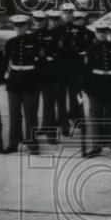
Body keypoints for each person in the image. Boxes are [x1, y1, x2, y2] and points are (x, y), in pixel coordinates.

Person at [82, 24, 111, 158]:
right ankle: (96, 147)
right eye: (99, 32)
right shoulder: (91, 49)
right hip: (96, 87)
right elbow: (86, 70)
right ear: (95, 33)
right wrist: (85, 88)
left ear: (108, 32)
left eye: (104, 32)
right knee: (95, 117)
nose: (102, 35)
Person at [0, 15, 41, 155]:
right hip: (14, 80)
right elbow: (4, 62)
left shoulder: (36, 41)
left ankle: (32, 144)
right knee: (14, 114)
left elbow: (41, 63)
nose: (19, 28)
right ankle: (13, 143)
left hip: (31, 80)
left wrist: (39, 79)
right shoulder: (10, 42)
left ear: (27, 26)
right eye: (16, 26)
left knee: (31, 114)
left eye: (22, 25)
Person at [37, 11, 68, 145]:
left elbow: (68, 52)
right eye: (51, 19)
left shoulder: (64, 33)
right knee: (48, 103)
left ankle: (64, 126)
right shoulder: (42, 33)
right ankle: (49, 131)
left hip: (60, 72)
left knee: (60, 101)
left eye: (56, 19)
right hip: (46, 73)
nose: (54, 22)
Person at [63, 10, 96, 137]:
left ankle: (77, 118)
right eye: (76, 19)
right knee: (71, 94)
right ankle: (71, 116)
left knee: (78, 94)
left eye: (81, 19)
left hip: (82, 67)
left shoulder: (89, 33)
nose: (78, 21)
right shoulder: (67, 32)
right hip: (69, 66)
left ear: (85, 20)